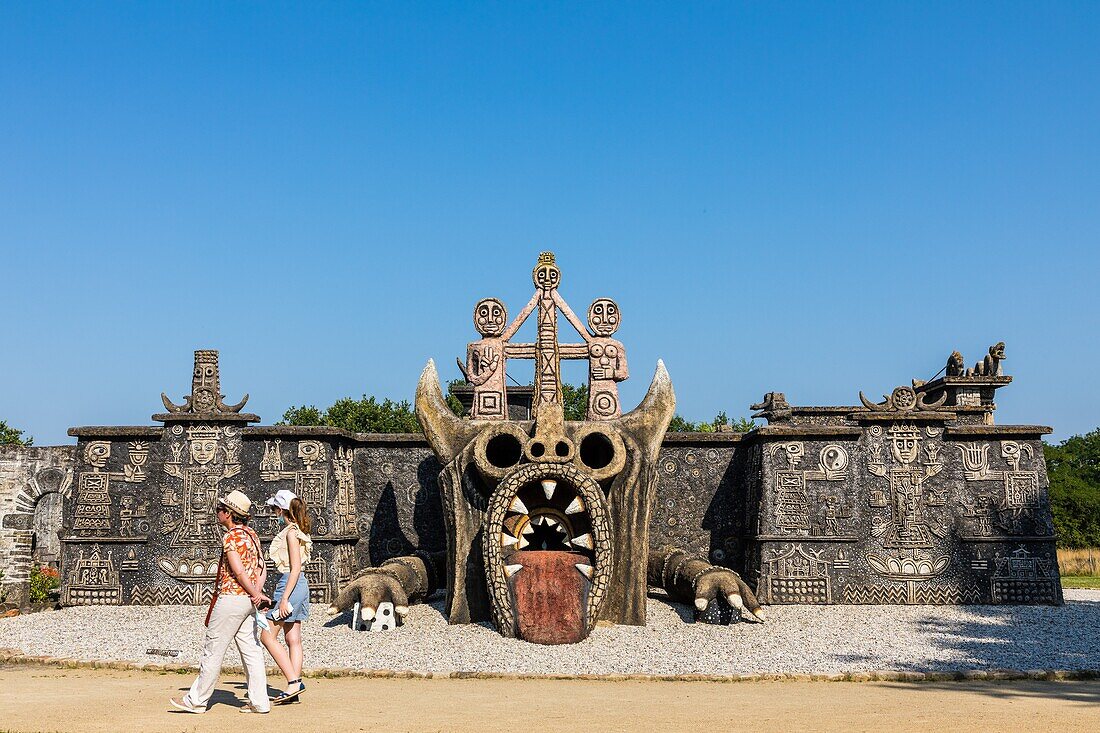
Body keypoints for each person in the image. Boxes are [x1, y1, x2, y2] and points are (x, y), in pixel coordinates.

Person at [171, 490, 271, 714]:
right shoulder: (251, 534)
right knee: (251, 650)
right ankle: (260, 702)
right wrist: (257, 592)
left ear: (229, 513)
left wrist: (252, 591)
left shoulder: (231, 537)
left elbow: (238, 571)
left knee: (214, 648)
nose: (217, 512)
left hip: (232, 597)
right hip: (248, 600)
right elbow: (261, 568)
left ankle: (197, 700)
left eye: (220, 509)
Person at [259, 488, 313, 704]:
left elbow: (295, 568)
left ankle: (292, 683)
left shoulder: (291, 532)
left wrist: (283, 599)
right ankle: (295, 684)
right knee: (293, 639)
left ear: (281, 509)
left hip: (290, 584)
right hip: (299, 586)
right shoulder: (300, 530)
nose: (274, 513)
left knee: (267, 636)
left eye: (275, 509)